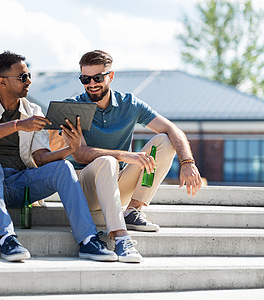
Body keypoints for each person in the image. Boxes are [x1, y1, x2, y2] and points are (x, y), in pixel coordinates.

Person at [0, 51, 117, 262]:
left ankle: (88, 239)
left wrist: (70, 149)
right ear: (2, 82)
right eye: (23, 77)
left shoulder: (33, 110)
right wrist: (18, 125)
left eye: (29, 75)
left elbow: (41, 159)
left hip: (18, 184)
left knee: (63, 167)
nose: (29, 81)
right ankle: (6, 238)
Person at [63, 50, 202, 263]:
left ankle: (133, 210)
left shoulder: (129, 103)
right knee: (108, 161)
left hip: (116, 184)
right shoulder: (73, 106)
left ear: (110, 76)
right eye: (85, 79)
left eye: (97, 78)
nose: (91, 84)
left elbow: (172, 129)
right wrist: (125, 156)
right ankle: (120, 239)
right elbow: (80, 153)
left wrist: (188, 163)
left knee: (164, 141)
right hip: (85, 188)